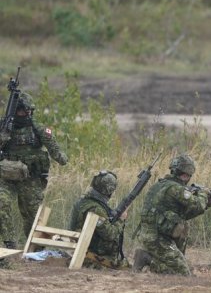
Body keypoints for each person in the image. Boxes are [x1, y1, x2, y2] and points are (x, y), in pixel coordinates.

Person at [133, 154, 211, 275]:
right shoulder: (176, 189)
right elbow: (198, 205)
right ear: (185, 175)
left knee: (181, 264)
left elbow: (183, 215)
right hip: (159, 239)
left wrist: (208, 204)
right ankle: (147, 258)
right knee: (182, 273)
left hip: (150, 236)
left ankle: (149, 256)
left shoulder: (159, 185)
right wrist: (204, 194)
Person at [0, 92, 68, 249]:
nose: (27, 114)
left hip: (30, 180)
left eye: (29, 111)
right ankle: (9, 244)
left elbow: (57, 152)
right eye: (23, 111)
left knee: (33, 216)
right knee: (2, 203)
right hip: (6, 178)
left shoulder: (38, 129)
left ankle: (36, 249)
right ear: (15, 111)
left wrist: (61, 157)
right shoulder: (3, 127)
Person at [69, 170, 129, 269]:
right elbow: (110, 234)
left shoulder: (82, 202)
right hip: (91, 255)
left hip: (79, 247)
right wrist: (121, 220)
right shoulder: (96, 208)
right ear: (108, 190)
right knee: (125, 267)